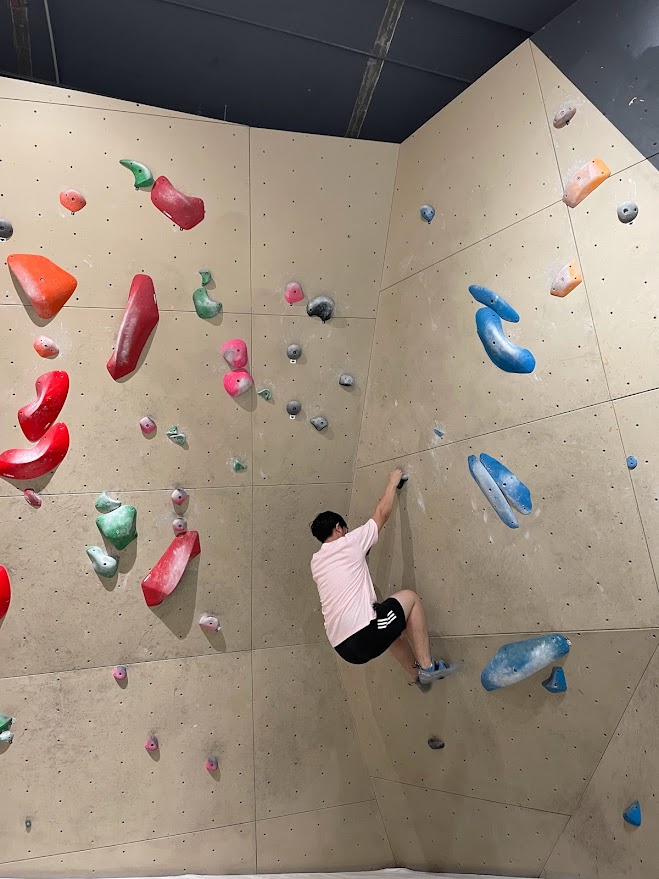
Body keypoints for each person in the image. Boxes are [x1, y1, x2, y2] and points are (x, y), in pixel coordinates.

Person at [310, 467, 453, 686]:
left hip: (344, 649)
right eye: (345, 530)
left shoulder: (317, 562)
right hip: (363, 635)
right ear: (339, 528)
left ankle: (417, 677)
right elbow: (381, 514)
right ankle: (428, 667)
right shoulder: (349, 542)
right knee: (410, 599)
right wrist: (393, 481)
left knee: (391, 629)